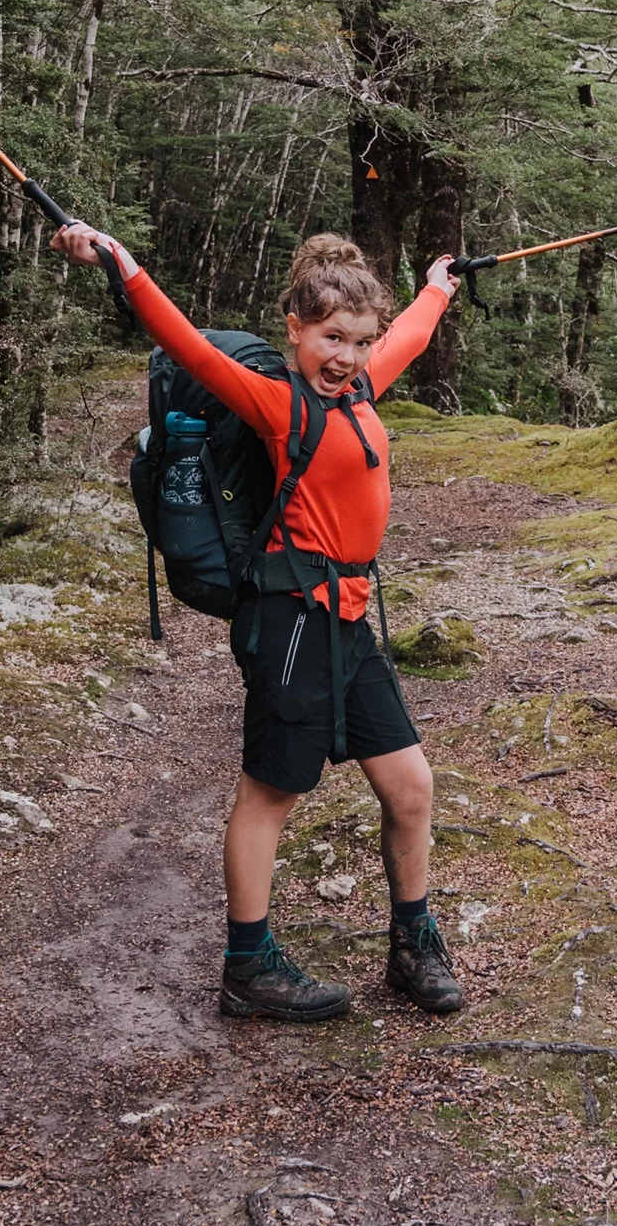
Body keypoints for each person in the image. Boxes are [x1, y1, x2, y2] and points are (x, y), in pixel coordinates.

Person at [53, 222, 464, 1023]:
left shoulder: (362, 387)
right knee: (272, 793)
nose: (344, 356)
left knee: (411, 787)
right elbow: (188, 346)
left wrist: (439, 286)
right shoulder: (279, 405)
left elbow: (410, 336)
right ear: (297, 331)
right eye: (329, 338)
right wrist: (121, 263)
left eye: (357, 340)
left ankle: (414, 944)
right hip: (289, 619)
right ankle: (249, 966)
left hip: (346, 619)